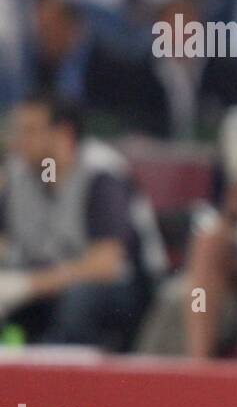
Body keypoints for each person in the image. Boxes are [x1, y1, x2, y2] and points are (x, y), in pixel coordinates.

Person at [0, 93, 165, 350]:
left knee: (79, 297)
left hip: (127, 290)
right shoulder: (17, 175)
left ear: (63, 134)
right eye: (17, 131)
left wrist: (27, 285)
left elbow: (106, 265)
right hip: (50, 281)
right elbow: (6, 244)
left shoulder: (101, 174)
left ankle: (70, 380)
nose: (19, 142)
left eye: (30, 131)